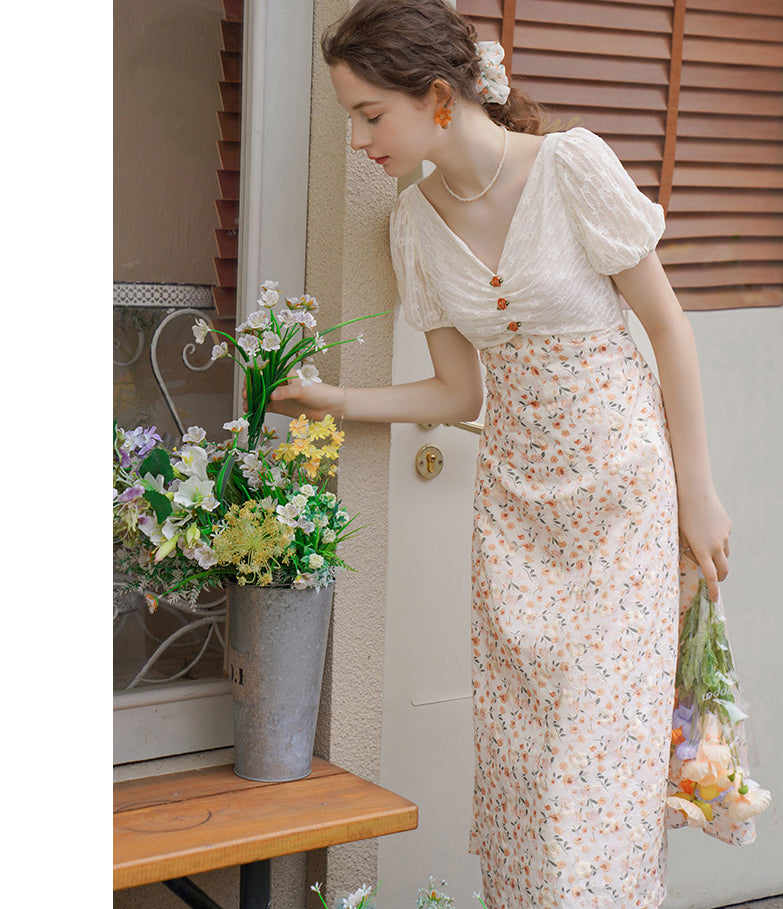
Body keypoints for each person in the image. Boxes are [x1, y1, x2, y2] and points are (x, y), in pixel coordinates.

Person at [268, 1, 731, 905]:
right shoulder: (414, 222)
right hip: (515, 511)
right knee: (525, 755)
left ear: (439, 97)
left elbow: (668, 328)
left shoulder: (569, 167)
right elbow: (459, 392)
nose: (359, 141)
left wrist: (698, 493)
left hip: (622, 503)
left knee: (591, 766)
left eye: (370, 115)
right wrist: (340, 400)